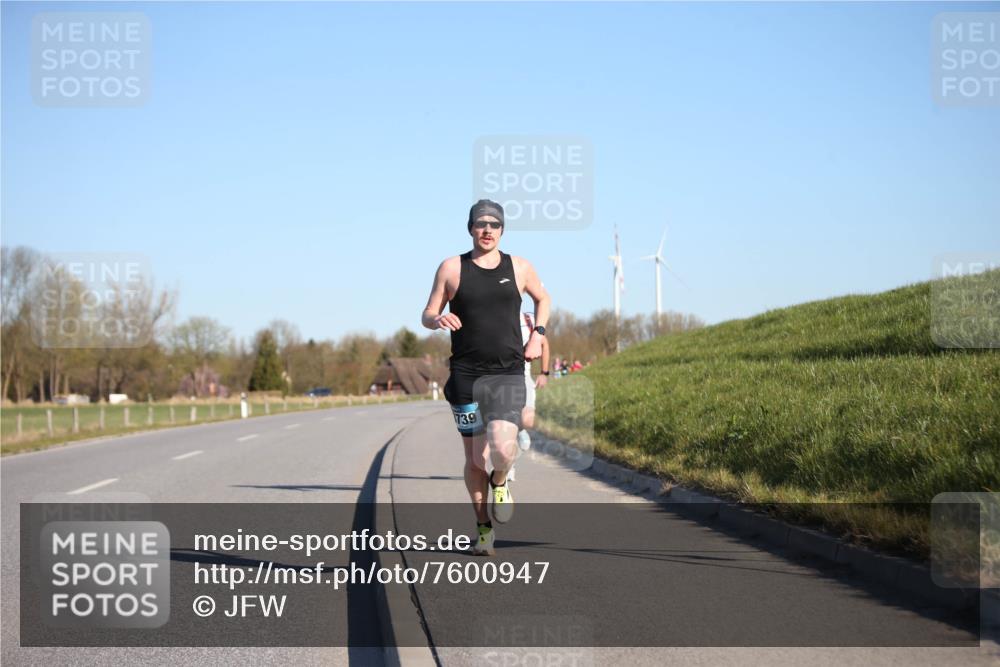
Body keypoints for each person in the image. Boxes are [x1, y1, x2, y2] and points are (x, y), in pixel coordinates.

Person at [421, 199, 550, 556]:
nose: (487, 230)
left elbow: (544, 298)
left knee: (503, 447)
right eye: (481, 224)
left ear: (503, 229)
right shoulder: (451, 267)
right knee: (476, 459)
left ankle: (501, 480)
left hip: (507, 373)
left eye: (494, 224)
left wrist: (538, 333)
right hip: (465, 375)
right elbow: (428, 311)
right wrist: (437, 319)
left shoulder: (519, 267)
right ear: (471, 228)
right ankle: (483, 529)